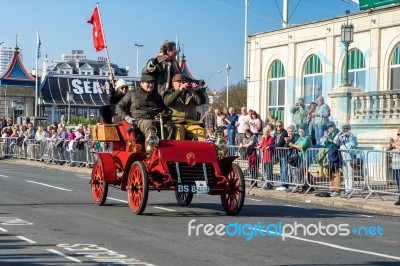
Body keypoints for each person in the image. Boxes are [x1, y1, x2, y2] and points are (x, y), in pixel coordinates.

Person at [116, 74, 174, 140]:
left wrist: (161, 115)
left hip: (155, 119)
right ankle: (151, 148)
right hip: (139, 120)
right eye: (148, 83)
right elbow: (119, 107)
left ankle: (167, 148)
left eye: (152, 83)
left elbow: (163, 109)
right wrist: (127, 117)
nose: (151, 85)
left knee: (169, 126)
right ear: (141, 84)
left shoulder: (157, 96)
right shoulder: (132, 93)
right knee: (150, 124)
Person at [162, 74, 206, 140]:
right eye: (179, 82)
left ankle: (200, 150)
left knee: (201, 131)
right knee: (179, 131)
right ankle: (179, 150)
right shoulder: (168, 93)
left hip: (190, 122)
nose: (182, 84)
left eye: (183, 82)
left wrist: (197, 90)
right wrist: (179, 91)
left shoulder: (190, 93)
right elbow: (167, 102)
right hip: (176, 122)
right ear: (173, 84)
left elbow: (201, 102)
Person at [338, 124, 358, 199]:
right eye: (344, 129)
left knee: (350, 174)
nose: (345, 130)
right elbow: (335, 141)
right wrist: (339, 134)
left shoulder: (353, 136)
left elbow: (354, 144)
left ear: (349, 129)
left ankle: (350, 189)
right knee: (345, 175)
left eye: (347, 129)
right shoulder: (341, 137)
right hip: (343, 158)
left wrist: (350, 137)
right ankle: (346, 189)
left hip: (350, 157)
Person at [268, 121, 288, 191]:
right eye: (277, 126)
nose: (278, 127)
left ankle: (285, 184)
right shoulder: (276, 132)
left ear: (282, 125)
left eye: (280, 126)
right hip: (278, 153)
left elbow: (279, 144)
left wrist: (270, 146)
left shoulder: (284, 132)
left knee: (284, 169)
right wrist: (268, 145)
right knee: (281, 169)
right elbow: (274, 142)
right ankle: (283, 183)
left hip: (284, 152)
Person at [324, 121, 341, 196]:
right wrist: (327, 139)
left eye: (331, 126)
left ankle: (337, 190)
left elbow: (336, 144)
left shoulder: (338, 133)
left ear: (334, 126)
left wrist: (330, 140)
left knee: (336, 172)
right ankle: (331, 188)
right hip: (330, 154)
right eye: (328, 127)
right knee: (330, 172)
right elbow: (325, 143)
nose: (329, 128)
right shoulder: (330, 134)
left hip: (336, 154)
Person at [386, 129, 400, 206]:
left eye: (399, 134)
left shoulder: (397, 144)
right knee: (398, 183)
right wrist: (390, 144)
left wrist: (394, 144)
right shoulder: (396, 143)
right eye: (397, 134)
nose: (398, 136)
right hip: (395, 166)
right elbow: (387, 149)